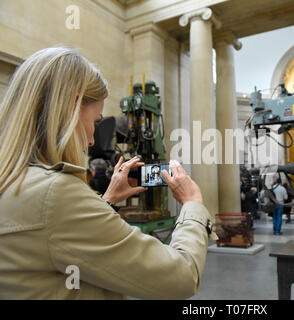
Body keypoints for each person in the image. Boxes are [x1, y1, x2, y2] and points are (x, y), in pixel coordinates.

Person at [0, 47, 215, 299]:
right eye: (96, 119)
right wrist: (192, 205)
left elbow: (55, 238)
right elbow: (182, 276)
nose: (92, 139)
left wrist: (106, 203)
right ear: (72, 106)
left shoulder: (14, 180)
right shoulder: (55, 193)